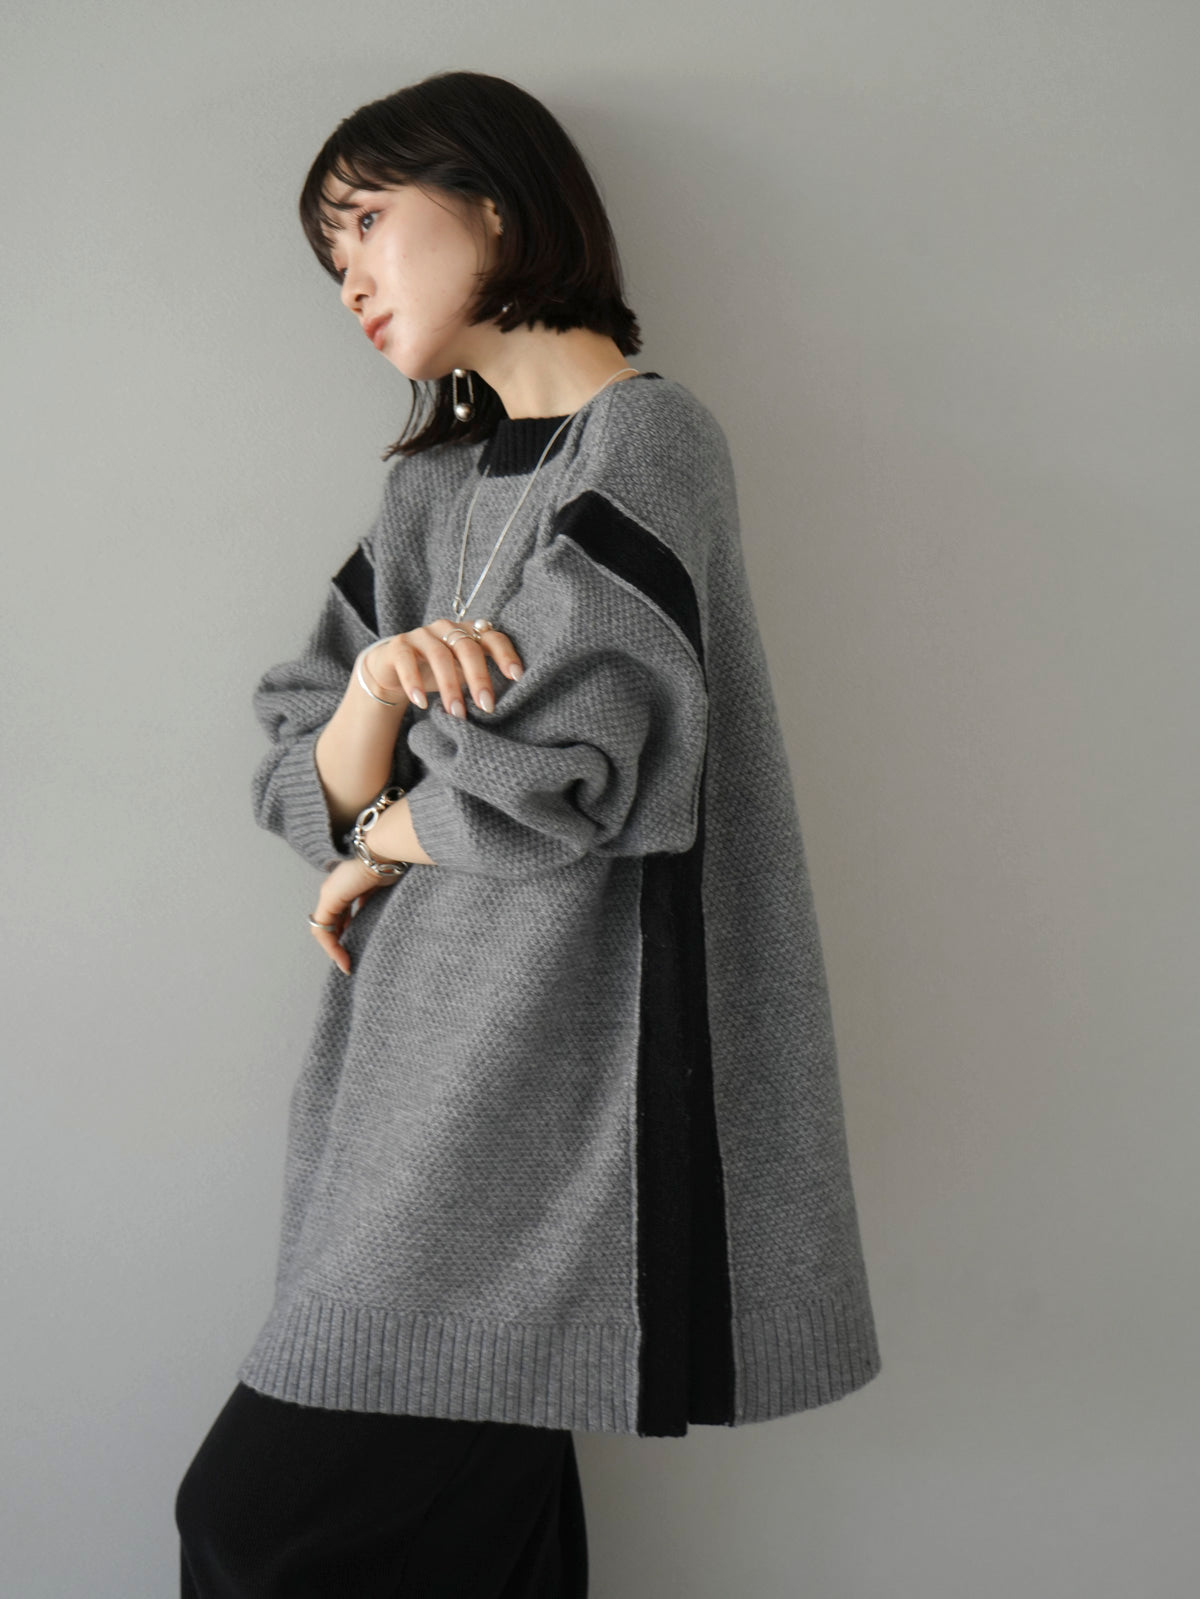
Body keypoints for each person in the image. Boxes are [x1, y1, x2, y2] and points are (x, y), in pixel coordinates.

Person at [175, 67, 881, 1598]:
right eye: (329, 255)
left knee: (253, 1522)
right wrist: (382, 701)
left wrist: (382, 830)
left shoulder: (649, 440)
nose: (350, 279)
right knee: (487, 1550)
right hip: (405, 1084)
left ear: (492, 205)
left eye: (367, 223)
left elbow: (566, 782)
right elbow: (301, 769)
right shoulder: (430, 491)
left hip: (554, 1095)